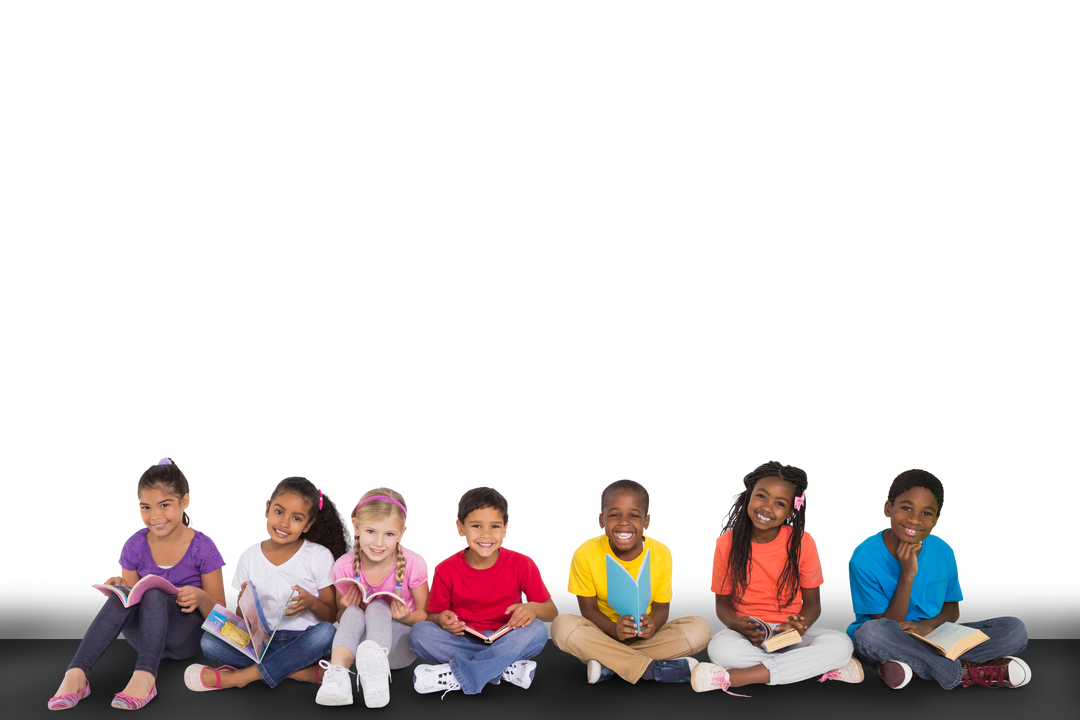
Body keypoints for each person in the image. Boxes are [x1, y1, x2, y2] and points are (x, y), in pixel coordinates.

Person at [48, 454, 228, 711]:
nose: (154, 515)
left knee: (154, 592)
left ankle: (145, 677)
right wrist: (118, 586)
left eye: (164, 505)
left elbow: (222, 616)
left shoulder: (204, 545)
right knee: (121, 596)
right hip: (144, 636)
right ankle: (76, 674)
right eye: (145, 507)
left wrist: (200, 598)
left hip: (185, 637)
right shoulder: (135, 542)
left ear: (186, 502)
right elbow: (129, 600)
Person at [848, 466, 1031, 689]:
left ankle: (910, 665)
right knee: (869, 635)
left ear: (937, 520)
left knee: (1014, 630)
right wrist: (907, 575)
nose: (914, 520)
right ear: (886, 509)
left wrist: (927, 627)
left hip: (934, 635)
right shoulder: (863, 557)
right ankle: (965, 672)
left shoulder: (944, 549)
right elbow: (888, 624)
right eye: (906, 508)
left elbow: (952, 609)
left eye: (926, 513)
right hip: (890, 635)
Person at [692, 458, 860, 696]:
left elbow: (813, 604)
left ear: (792, 510)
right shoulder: (726, 543)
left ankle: (736, 677)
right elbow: (722, 605)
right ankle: (817, 666)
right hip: (749, 635)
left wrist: (799, 626)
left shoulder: (803, 541)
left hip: (789, 634)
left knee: (842, 643)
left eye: (779, 503)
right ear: (749, 495)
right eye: (761, 496)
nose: (767, 508)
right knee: (720, 649)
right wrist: (735, 624)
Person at [184, 473, 352, 692]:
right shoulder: (248, 554)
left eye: (297, 518)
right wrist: (245, 603)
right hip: (261, 643)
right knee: (209, 641)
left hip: (302, 639)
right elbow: (241, 618)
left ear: (308, 524)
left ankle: (242, 677)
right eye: (279, 512)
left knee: (327, 635)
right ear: (266, 509)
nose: (284, 522)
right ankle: (301, 673)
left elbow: (331, 617)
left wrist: (311, 602)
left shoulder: (319, 556)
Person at [551, 477, 711, 685]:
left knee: (701, 628)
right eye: (615, 514)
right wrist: (612, 629)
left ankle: (610, 664)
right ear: (600, 520)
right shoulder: (584, 552)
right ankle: (649, 669)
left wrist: (652, 625)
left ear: (647, 522)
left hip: (645, 638)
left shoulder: (662, 552)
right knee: (561, 626)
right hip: (603, 634)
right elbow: (588, 610)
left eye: (634, 515)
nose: (624, 522)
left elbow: (662, 608)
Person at [408, 484, 557, 697]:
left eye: (495, 527)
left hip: (507, 637)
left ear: (506, 529)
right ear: (460, 528)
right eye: (477, 526)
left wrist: (533, 608)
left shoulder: (523, 562)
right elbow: (432, 616)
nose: (486, 535)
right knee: (419, 634)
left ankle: (459, 674)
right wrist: (442, 620)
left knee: (538, 631)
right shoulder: (445, 567)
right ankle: (503, 669)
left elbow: (551, 611)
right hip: (463, 639)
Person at [316, 484, 430, 707]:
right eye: (371, 531)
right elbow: (342, 620)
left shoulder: (415, 562)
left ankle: (376, 661)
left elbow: (426, 616)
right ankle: (338, 675)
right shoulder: (344, 566)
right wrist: (346, 608)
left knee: (379, 605)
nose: (379, 543)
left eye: (388, 534)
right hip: (356, 652)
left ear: (402, 533)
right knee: (353, 611)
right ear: (355, 527)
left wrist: (406, 617)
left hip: (398, 649)